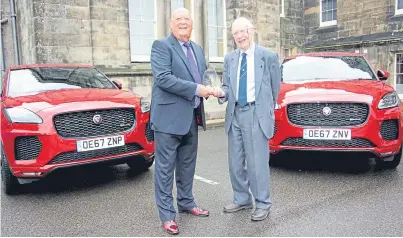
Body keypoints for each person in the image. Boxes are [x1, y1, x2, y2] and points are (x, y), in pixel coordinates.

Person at [150, 7, 216, 235]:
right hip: (168, 120)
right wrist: (198, 89)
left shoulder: (197, 48)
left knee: (187, 166)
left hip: (192, 116)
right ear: (171, 23)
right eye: (178, 19)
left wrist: (208, 86)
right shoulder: (161, 46)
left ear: (191, 23)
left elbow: (203, 73)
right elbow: (163, 79)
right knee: (165, 169)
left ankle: (186, 202)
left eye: (186, 19)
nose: (182, 22)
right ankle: (167, 215)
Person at [216, 17, 281, 221]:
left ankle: (263, 203)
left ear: (251, 31)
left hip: (255, 113)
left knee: (256, 163)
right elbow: (227, 86)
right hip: (235, 112)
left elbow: (275, 87)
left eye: (243, 31)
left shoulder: (268, 56)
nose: (239, 36)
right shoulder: (230, 59)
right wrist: (221, 93)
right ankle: (242, 198)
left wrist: (266, 110)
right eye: (235, 33)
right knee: (235, 162)